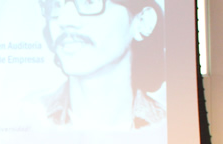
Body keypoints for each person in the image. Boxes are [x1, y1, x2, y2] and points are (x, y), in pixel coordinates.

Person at [40, 0, 166, 130]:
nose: (64, 20)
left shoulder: (167, 126)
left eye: (89, 2)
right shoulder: (24, 119)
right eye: (54, 4)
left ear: (143, 22)